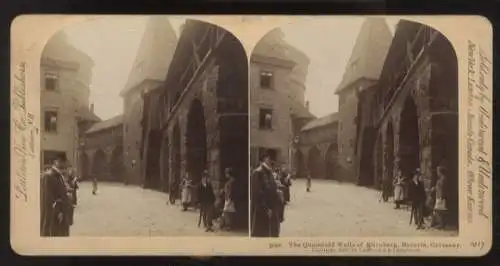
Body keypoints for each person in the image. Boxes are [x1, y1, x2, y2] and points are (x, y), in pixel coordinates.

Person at [250, 152, 281, 237]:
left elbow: (270, 187)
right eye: (268, 159)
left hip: (271, 208)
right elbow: (257, 194)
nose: (270, 161)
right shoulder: (258, 173)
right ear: (263, 160)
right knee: (262, 234)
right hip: (262, 210)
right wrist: (266, 209)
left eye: (270, 159)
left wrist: (277, 192)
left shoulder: (268, 172)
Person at [40, 154, 72, 237]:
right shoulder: (49, 176)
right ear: (55, 162)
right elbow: (48, 198)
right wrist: (58, 212)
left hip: (62, 211)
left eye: (64, 161)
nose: (63, 163)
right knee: (54, 235)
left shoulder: (59, 175)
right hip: (55, 214)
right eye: (60, 161)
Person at [431, 165, 448, 229]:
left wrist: (442, 196)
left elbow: (443, 188)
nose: (437, 172)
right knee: (439, 211)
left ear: (440, 172)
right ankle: (439, 224)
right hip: (438, 196)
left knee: (439, 211)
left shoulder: (443, 179)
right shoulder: (440, 178)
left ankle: (441, 224)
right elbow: (438, 186)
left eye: (438, 171)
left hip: (441, 197)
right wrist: (434, 188)